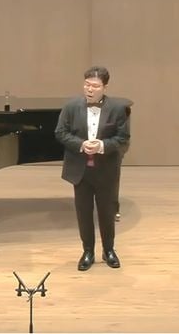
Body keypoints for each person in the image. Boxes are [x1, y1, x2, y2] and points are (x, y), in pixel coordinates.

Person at [55, 66, 131, 270]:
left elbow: (123, 138)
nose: (90, 89)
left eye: (95, 86)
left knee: (107, 212)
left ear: (105, 87)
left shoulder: (117, 109)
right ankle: (87, 251)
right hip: (81, 170)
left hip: (106, 169)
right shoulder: (71, 106)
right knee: (84, 213)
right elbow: (60, 132)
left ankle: (109, 250)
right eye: (87, 85)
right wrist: (81, 144)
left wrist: (102, 145)